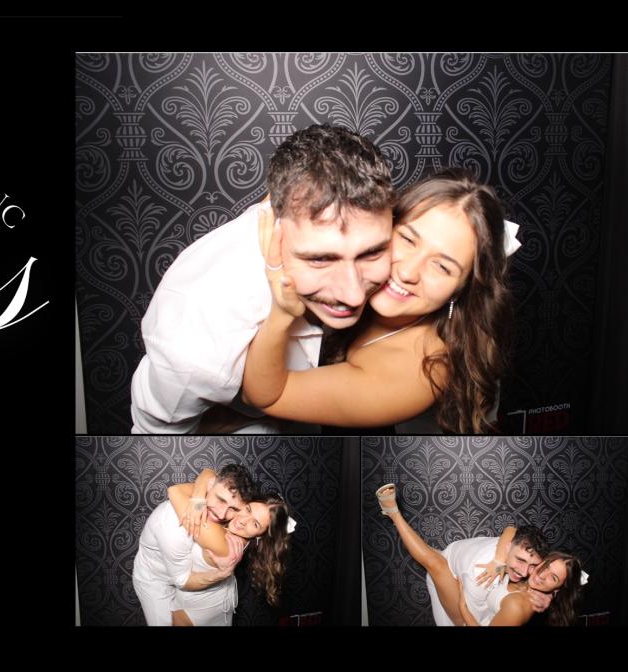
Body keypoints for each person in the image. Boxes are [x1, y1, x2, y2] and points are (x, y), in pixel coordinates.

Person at [130, 123, 395, 433]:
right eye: (320, 259)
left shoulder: (304, 208)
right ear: (274, 228)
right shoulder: (198, 344)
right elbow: (158, 438)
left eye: (372, 253)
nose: (353, 295)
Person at [243, 167, 519, 433]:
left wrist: (282, 312)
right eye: (408, 239)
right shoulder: (358, 264)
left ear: (460, 290)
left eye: (442, 267)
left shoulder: (418, 372)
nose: (408, 272)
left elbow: (266, 396)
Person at [375, 483, 586, 626]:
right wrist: (499, 560)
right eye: (545, 568)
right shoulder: (525, 566)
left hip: (466, 619)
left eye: (553, 578)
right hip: (463, 582)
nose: (532, 573)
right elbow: (511, 529)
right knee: (436, 560)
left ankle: (394, 513)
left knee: (437, 566)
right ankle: (394, 513)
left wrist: (463, 608)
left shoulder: (520, 600)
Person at [132, 464, 255, 625]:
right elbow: (182, 580)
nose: (221, 514)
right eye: (220, 499)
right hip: (155, 581)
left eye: (233, 509)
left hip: (186, 573)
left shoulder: (209, 493)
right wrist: (221, 574)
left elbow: (208, 472)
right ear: (210, 486)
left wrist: (199, 495)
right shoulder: (172, 527)